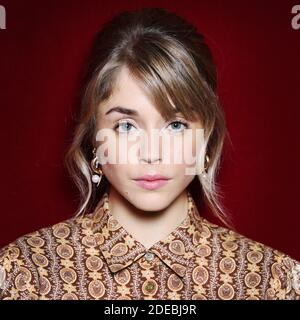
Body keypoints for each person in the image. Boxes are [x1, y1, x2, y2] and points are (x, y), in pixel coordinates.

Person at [0, 7, 299, 300]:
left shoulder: (274, 281)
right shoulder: (23, 274)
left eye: (176, 125)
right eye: (127, 126)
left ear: (206, 137)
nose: (152, 153)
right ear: (94, 137)